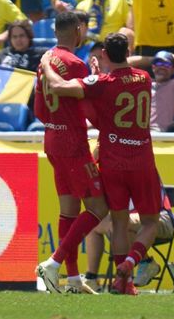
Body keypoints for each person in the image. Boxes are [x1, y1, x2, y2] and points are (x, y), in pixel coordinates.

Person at [40, 32, 161, 295]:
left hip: (113, 163)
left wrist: (47, 64)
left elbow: (60, 88)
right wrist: (96, 74)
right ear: (128, 52)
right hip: (142, 160)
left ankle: (123, 283)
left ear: (104, 54)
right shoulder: (144, 78)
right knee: (150, 222)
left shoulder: (102, 82)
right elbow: (116, 92)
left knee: (118, 221)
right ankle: (130, 265)